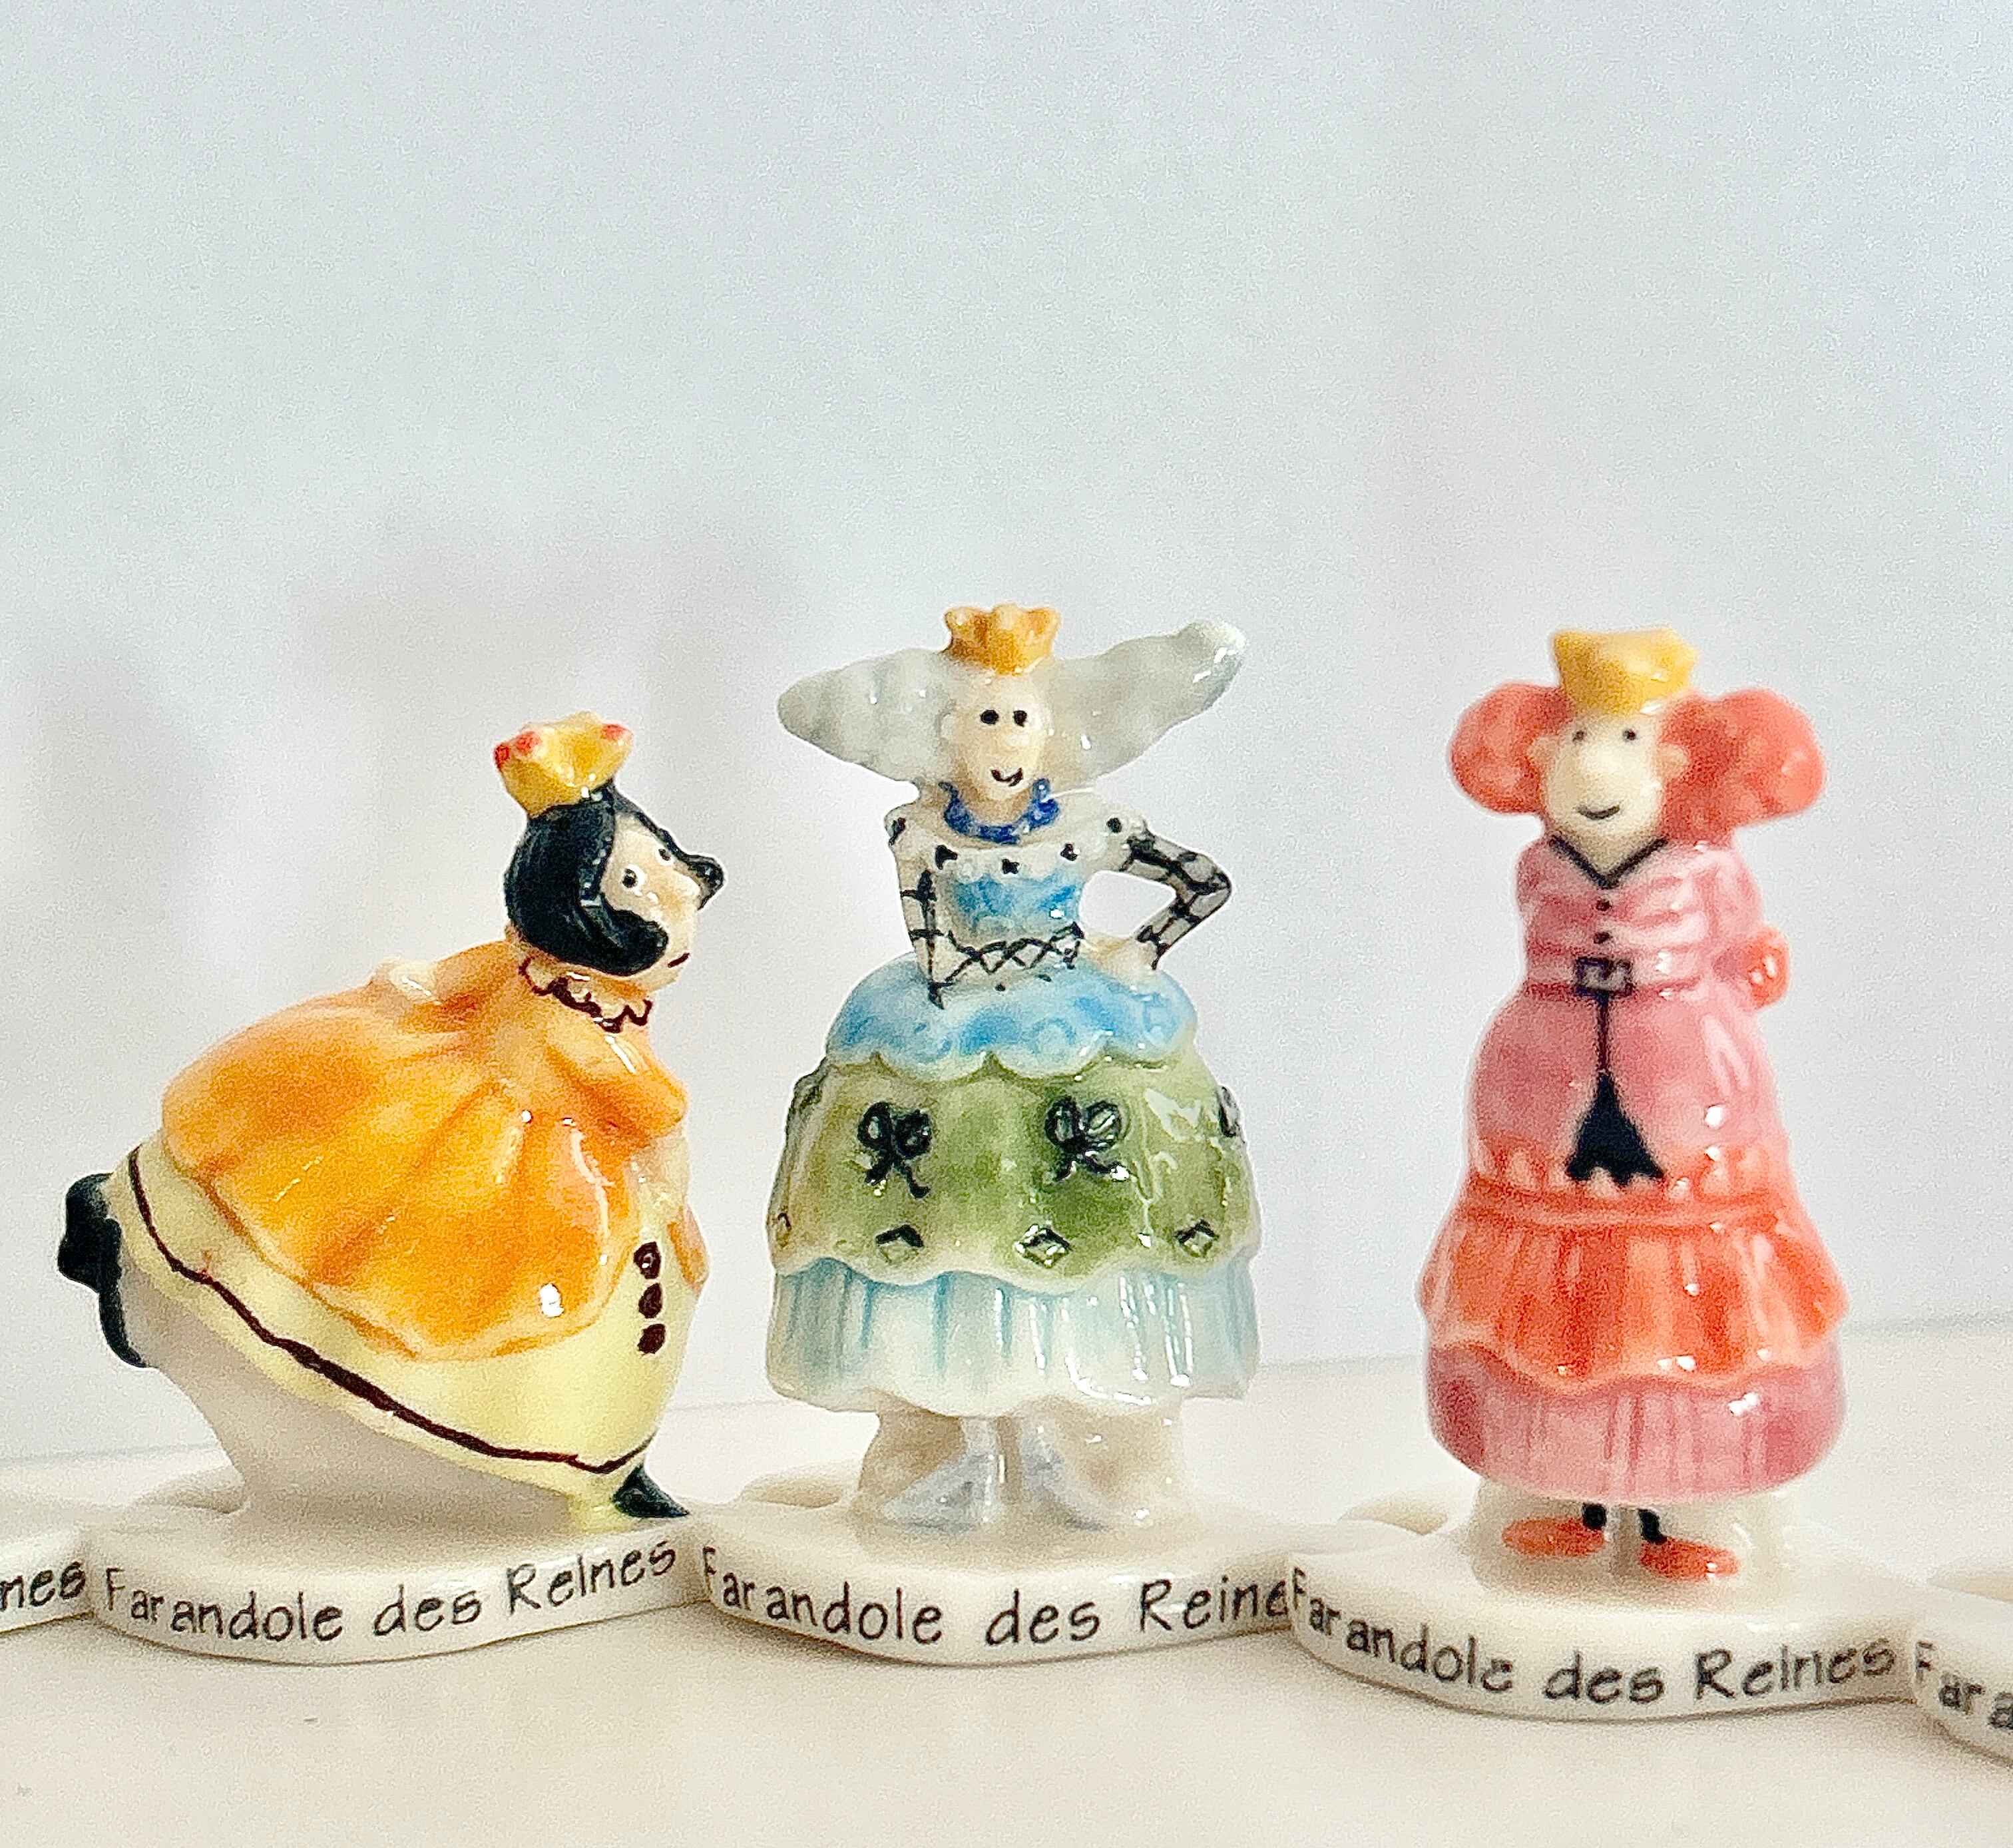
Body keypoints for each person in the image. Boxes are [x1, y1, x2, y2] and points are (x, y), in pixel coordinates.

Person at [61, 712, 722, 1527]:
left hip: (557, 1157)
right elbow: (654, 1112)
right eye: (635, 880)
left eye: (663, 865)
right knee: (443, 1280)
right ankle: (460, 1471)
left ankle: (569, 1472)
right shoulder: (576, 1026)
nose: (677, 895)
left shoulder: (545, 982)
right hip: (510, 1164)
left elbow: (458, 982)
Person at [770, 604, 1257, 1532]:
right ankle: (947, 1439)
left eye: (1021, 719)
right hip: (947, 1025)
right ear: (948, 736)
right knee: (940, 1223)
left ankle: (1093, 1443)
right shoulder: (922, 835)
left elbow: (1203, 883)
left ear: (1051, 732)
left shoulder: (1087, 824)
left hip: (1083, 1018)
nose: (1004, 740)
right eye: (987, 719)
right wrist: (974, 974)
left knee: (1097, 1220)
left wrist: (1141, 949)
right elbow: (933, 949)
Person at [1421, 629, 1844, 1580]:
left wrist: (1752, 972)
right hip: (1543, 1067)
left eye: (1623, 741)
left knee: (1682, 1288)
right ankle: (1553, 1489)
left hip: (1686, 1069)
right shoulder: (1540, 868)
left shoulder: (1708, 868)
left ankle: (1693, 1505)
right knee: (1544, 1282)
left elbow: (1740, 947)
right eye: (1578, 739)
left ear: (1681, 763)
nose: (1594, 767)